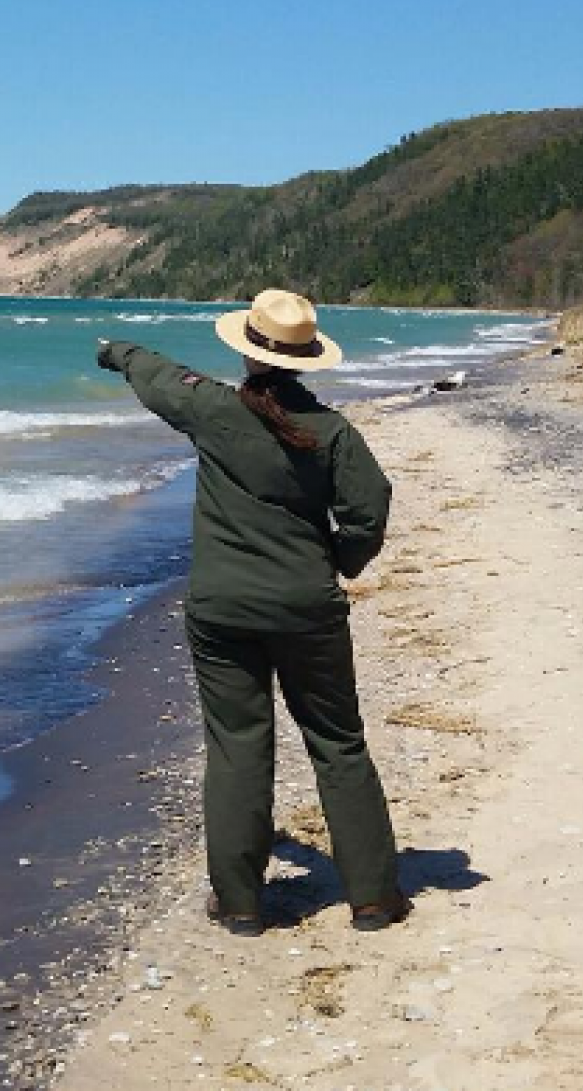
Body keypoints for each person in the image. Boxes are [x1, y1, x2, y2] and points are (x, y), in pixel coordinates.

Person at [96, 288, 409, 936]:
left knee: (238, 746)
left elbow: (158, 376)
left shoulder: (214, 411)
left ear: (246, 351)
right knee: (338, 743)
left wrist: (116, 351)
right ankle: (374, 897)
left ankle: (240, 903)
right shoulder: (332, 433)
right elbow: (369, 508)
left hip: (222, 608)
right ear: (305, 359)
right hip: (306, 607)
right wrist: (338, 560)